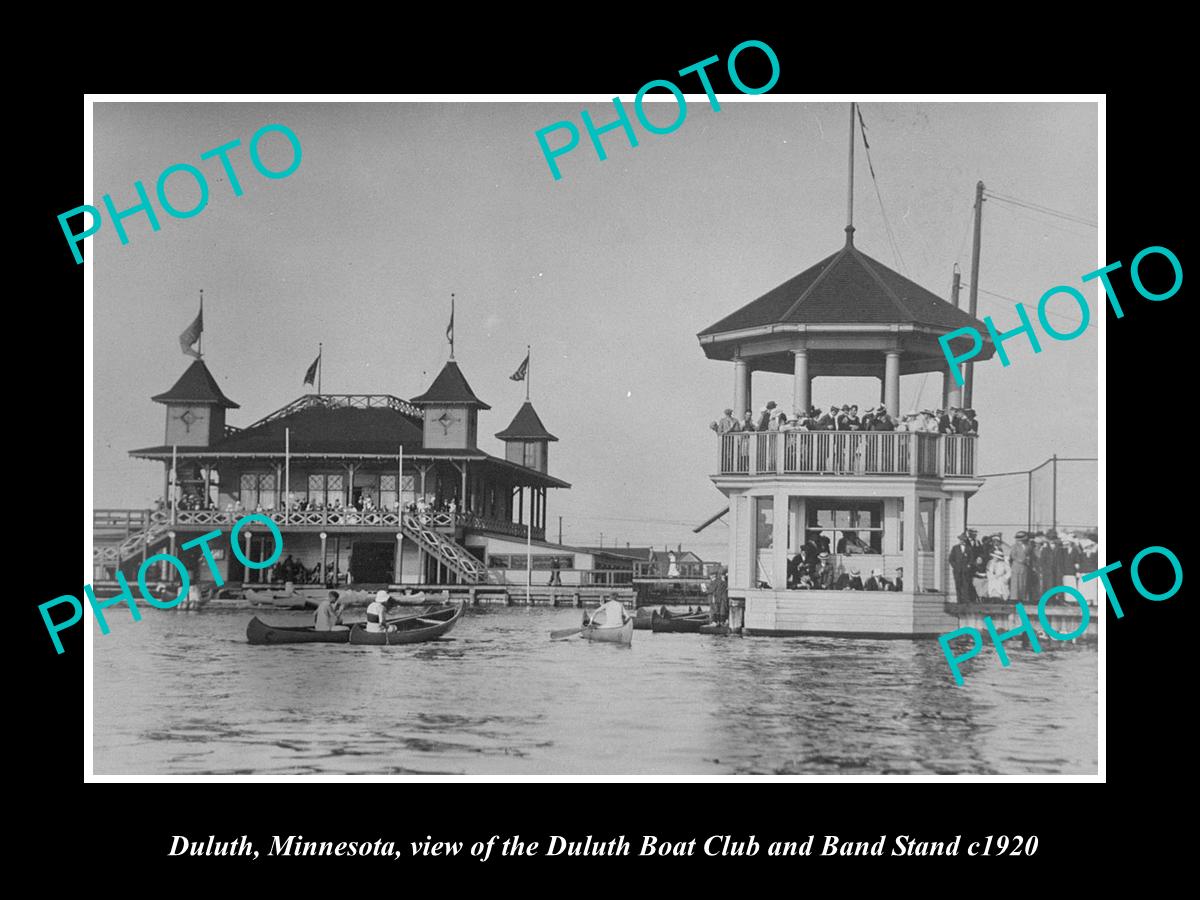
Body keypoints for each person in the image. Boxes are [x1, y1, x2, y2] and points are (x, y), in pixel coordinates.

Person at [949, 531, 974, 603]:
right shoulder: (955, 548)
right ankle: (959, 600)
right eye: (961, 539)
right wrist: (955, 566)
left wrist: (969, 565)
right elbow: (951, 559)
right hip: (957, 570)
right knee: (958, 585)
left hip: (966, 571)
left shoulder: (969, 549)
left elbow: (971, 559)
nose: (962, 541)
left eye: (963, 540)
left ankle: (966, 600)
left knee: (966, 585)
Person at [1008, 531, 1031, 602]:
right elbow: (1013, 556)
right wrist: (1020, 560)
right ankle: (1014, 598)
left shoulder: (1028, 546)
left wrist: (1027, 560)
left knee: (1023, 582)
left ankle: (1022, 597)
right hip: (1016, 566)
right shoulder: (1014, 546)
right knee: (1015, 583)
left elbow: (1029, 555)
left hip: (1024, 567)